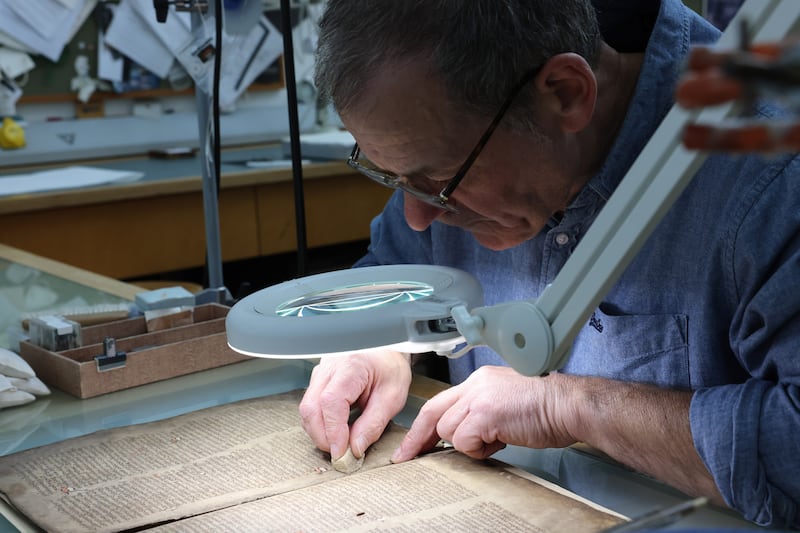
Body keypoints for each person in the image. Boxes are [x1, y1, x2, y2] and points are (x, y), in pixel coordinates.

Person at [298, 0, 800, 528]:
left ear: (566, 94)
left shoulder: (772, 180)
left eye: (440, 182)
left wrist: (565, 407)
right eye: (389, 175)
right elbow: (394, 264)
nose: (417, 217)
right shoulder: (448, 130)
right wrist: (383, 346)